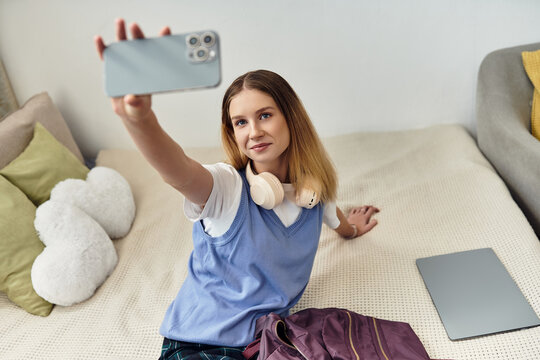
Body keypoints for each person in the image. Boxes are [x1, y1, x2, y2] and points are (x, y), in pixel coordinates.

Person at [95, 19, 379, 360]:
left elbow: (332, 214)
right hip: (202, 343)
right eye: (241, 122)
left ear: (291, 118)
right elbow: (178, 172)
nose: (254, 131)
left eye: (265, 115)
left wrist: (350, 229)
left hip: (267, 343)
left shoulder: (313, 190)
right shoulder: (228, 188)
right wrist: (139, 120)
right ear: (232, 133)